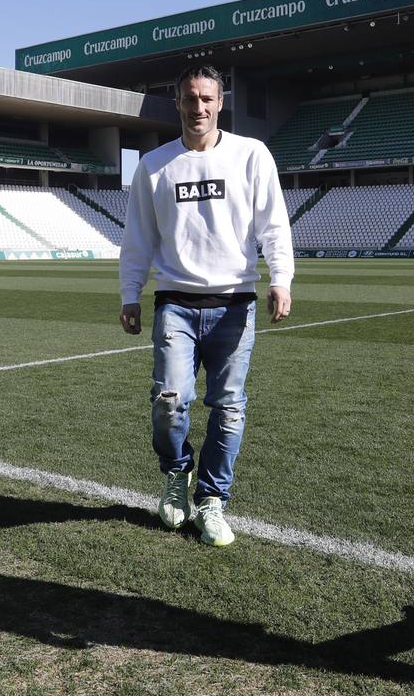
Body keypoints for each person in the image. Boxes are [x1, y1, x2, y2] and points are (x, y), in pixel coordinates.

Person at [119, 64, 294, 547]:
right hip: (174, 302)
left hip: (235, 304)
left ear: (221, 103)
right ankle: (177, 476)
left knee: (229, 407)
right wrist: (129, 293)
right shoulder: (154, 166)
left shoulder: (252, 155)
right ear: (178, 103)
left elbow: (273, 224)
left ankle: (213, 499)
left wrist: (281, 277)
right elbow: (138, 238)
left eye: (207, 99)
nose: (199, 107)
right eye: (190, 98)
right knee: (169, 400)